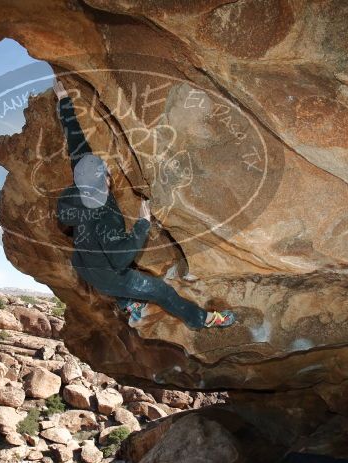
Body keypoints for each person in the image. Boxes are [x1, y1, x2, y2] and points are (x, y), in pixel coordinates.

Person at [53, 80, 236, 329]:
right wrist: (142, 223)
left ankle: (128, 303)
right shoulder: (102, 215)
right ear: (104, 179)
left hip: (85, 266)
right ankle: (203, 319)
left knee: (103, 261)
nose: (109, 176)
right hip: (109, 276)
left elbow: (76, 142)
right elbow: (120, 258)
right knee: (161, 291)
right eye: (106, 173)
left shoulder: (81, 185)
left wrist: (64, 100)